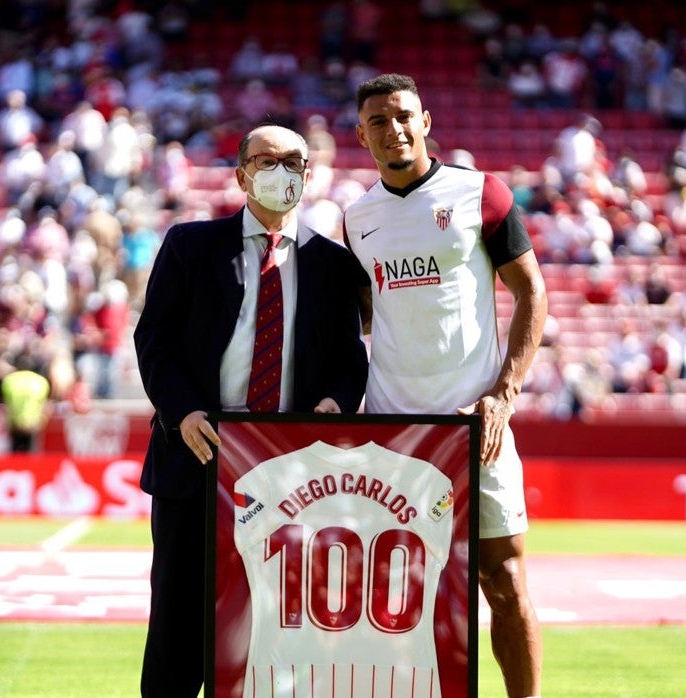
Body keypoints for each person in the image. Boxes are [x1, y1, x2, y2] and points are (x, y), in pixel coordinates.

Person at [132, 123, 368, 698]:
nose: (281, 172)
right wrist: (183, 412)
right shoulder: (190, 246)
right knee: (178, 626)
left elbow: (349, 359)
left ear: (309, 174)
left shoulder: (333, 264)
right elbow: (154, 341)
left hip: (289, 469)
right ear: (241, 175)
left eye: (294, 161)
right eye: (266, 161)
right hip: (198, 455)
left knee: (274, 629)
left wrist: (336, 403)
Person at [343, 73, 546, 698]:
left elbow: (531, 292)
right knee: (399, 592)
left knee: (503, 581)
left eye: (404, 116)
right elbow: (364, 318)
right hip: (394, 431)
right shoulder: (357, 218)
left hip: (476, 425)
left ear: (425, 121)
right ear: (361, 135)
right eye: (378, 121)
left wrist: (504, 395)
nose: (394, 129)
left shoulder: (480, 193)